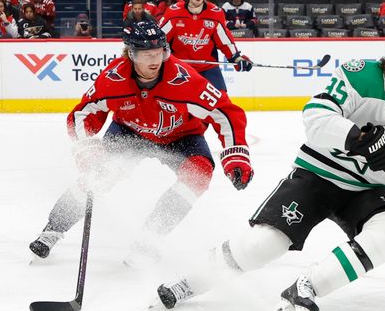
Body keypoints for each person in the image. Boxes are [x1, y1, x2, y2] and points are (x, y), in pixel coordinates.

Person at [152, 24, 385, 311]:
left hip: (371, 188)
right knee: (263, 245)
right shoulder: (359, 76)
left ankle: (306, 287)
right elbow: (316, 116)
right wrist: (359, 138)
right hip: (318, 174)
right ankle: (190, 280)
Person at [29, 20, 253, 266]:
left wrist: (236, 154)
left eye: (159, 52)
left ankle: (149, 239)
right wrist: (88, 150)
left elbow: (226, 112)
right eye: (147, 54)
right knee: (100, 175)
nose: (155, 60)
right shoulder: (113, 79)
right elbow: (83, 113)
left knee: (198, 173)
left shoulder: (185, 80)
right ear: (131, 54)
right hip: (129, 132)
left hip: (180, 136)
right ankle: (53, 228)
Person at [159, 0, 253, 91]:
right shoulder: (174, 12)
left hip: (208, 67)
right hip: (180, 67)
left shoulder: (215, 13)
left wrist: (237, 58)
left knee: (221, 103)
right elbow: (160, 38)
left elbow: (224, 41)